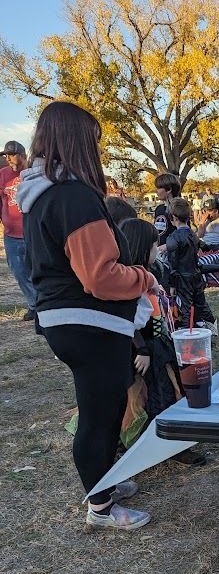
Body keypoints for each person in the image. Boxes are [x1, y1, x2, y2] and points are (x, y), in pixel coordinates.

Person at [17, 101, 159, 530]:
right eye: (94, 142)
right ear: (78, 141)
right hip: (88, 322)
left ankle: (106, 480)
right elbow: (100, 277)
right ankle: (100, 504)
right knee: (99, 412)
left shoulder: (43, 195)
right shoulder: (74, 196)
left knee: (108, 402)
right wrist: (144, 278)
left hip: (72, 321)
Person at [118, 217, 184, 419]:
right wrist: (142, 349)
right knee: (151, 394)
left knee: (164, 387)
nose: (158, 249)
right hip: (142, 349)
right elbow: (128, 320)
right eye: (154, 245)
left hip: (158, 345)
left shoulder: (149, 273)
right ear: (142, 247)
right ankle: (150, 437)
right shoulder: (130, 282)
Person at [165, 197, 217, 333]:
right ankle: (212, 327)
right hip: (196, 274)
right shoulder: (193, 235)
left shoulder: (173, 238)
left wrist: (171, 284)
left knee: (186, 307)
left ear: (173, 217)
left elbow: (173, 263)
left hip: (183, 277)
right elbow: (204, 246)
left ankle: (188, 335)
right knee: (201, 303)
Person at [0, 140, 37, 320]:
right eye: (5, 155)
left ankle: (45, 304)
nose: (7, 158)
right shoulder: (3, 175)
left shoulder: (33, 173)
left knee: (38, 270)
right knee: (19, 272)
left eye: (11, 154)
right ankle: (34, 305)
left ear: (22, 155)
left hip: (33, 233)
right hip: (11, 235)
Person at [153, 172, 181, 244]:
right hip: (159, 251)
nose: (156, 191)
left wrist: (167, 246)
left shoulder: (179, 207)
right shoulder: (159, 208)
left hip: (174, 251)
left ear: (168, 189)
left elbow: (184, 233)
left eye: (159, 188)